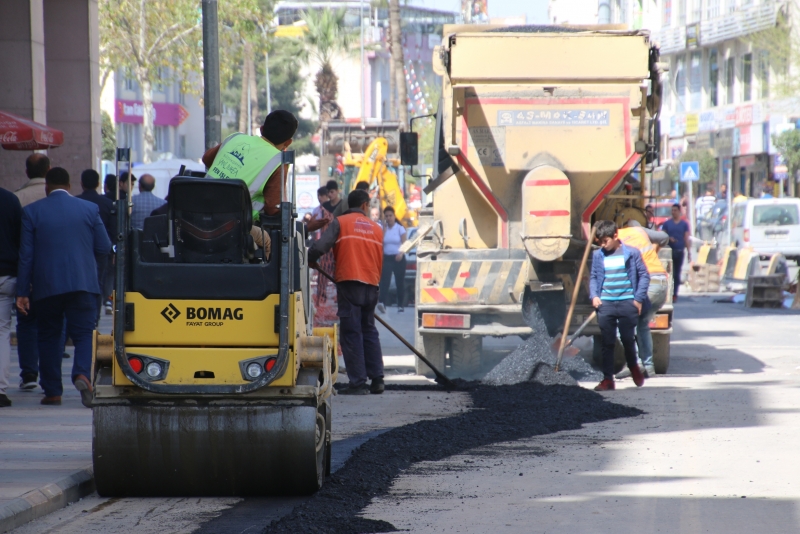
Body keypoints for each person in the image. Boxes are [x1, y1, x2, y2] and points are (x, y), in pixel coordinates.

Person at [16, 167, 112, 407]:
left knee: (49, 335)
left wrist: (22, 291)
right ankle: (82, 374)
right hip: (83, 284)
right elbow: (104, 247)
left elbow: (26, 256)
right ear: (69, 186)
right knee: (84, 334)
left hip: (46, 286)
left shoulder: (31, 212)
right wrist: (89, 268)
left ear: (46, 187)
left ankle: (52, 392)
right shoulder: (89, 209)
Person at [308, 189, 385, 395]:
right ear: (365, 205)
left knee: (351, 332)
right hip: (372, 284)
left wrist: (310, 258)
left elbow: (321, 246)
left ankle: (358, 383)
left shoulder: (341, 222)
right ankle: (377, 379)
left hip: (350, 283)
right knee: (369, 330)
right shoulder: (377, 229)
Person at [203, 110, 298, 219]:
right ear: (288, 142)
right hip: (233, 223)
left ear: (261, 129)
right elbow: (273, 208)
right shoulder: (277, 161)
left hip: (199, 212)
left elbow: (207, 159)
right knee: (263, 231)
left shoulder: (235, 138)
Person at [589, 220, 650, 391]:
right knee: (607, 342)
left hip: (627, 303)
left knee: (627, 339)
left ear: (615, 235)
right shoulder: (598, 255)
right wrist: (594, 296)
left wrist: (638, 299)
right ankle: (608, 379)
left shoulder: (632, 253)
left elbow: (644, 275)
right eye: (600, 242)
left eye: (605, 241)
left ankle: (633, 366)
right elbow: (593, 277)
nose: (603, 245)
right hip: (606, 304)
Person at [14, 154, 52, 391]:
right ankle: (51, 377)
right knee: (53, 325)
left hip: (25, 271)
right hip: (54, 274)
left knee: (26, 322)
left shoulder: (16, 198)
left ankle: (29, 373)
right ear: (49, 170)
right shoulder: (62, 198)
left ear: (27, 172)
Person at [616, 220, 670, 378]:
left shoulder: (617, 236)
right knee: (642, 324)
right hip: (661, 285)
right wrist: (655, 249)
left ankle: (635, 363)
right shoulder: (640, 231)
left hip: (648, 285)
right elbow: (664, 237)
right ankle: (648, 367)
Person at [76, 170, 116, 326]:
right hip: (101, 252)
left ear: (81, 183)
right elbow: (113, 231)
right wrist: (113, 251)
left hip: (80, 250)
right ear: (98, 184)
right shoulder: (107, 204)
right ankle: (95, 317)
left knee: (79, 282)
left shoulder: (76, 202)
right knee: (98, 282)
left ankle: (80, 315)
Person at [0, 187, 23, 407]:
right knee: (2, 331)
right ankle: (0, 389)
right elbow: (21, 239)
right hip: (6, 274)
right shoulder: (10, 200)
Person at [377, 206, 407, 313]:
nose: (388, 218)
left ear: (394, 216)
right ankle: (382, 303)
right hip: (387, 258)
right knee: (385, 281)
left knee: (400, 281)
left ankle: (400, 305)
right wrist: (384, 231)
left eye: (390, 216)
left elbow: (405, 244)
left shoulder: (400, 228)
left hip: (398, 258)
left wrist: (401, 254)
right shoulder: (382, 228)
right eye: (386, 216)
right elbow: (380, 242)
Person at [660, 204, 691, 301]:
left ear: (679, 211)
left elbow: (686, 238)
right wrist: (669, 238)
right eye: (672, 210)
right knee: (670, 273)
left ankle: (674, 294)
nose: (673, 212)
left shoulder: (684, 224)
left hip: (679, 251)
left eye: (675, 210)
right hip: (669, 253)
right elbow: (662, 236)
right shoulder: (667, 224)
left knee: (677, 274)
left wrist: (689, 252)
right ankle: (668, 293)